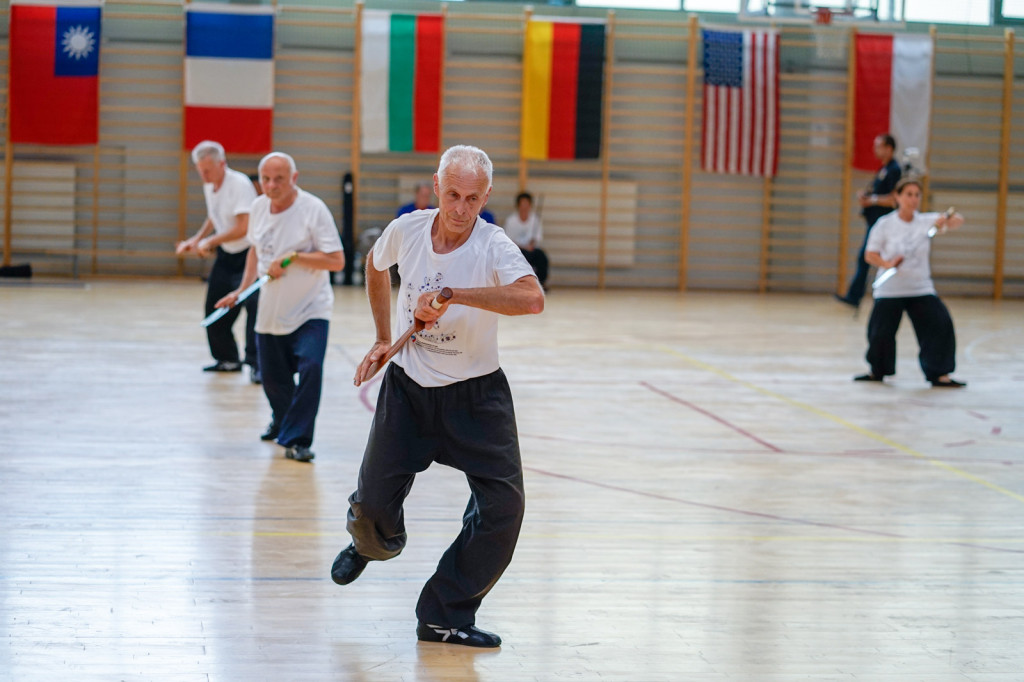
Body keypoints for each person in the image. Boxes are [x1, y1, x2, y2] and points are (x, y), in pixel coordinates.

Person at [331, 145, 545, 648]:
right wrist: (384, 337)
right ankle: (369, 546)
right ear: (436, 187)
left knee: (503, 510)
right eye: (452, 194)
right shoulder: (407, 230)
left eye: (473, 198)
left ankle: (443, 614)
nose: (460, 208)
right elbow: (375, 264)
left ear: (486, 196)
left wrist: (456, 295)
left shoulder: (493, 245)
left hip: (477, 396)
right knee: (373, 510)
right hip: (409, 389)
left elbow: (532, 298)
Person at [214, 152, 345, 461]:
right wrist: (241, 290)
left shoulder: (313, 210)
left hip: (312, 309)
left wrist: (294, 257)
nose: (271, 186)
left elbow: (336, 260)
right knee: (274, 378)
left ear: (294, 178)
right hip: (271, 311)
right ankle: (282, 421)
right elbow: (254, 253)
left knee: (311, 368)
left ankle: (298, 439)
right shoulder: (258, 208)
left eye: (279, 179)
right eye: (266, 180)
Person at [854, 178, 965, 388]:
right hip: (890, 289)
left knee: (940, 324)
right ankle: (877, 371)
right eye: (909, 194)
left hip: (920, 288)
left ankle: (939, 373)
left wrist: (946, 220)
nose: (913, 199)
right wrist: (887, 264)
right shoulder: (885, 224)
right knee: (880, 333)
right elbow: (870, 254)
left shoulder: (926, 221)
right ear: (897, 196)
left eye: (917, 195)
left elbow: (958, 220)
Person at [176, 140, 261, 382]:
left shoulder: (239, 184)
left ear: (222, 164)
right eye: (200, 170)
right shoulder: (210, 185)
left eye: (208, 170)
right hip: (226, 256)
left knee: (253, 308)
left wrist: (209, 243)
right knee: (214, 308)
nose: (203, 175)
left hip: (249, 255)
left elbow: (243, 227)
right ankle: (227, 359)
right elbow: (214, 217)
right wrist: (196, 239)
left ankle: (256, 366)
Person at [836, 133, 902, 309]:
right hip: (875, 222)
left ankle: (860, 296)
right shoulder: (884, 169)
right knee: (865, 258)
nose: (875, 150)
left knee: (870, 257)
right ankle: (854, 296)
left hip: (883, 224)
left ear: (889, 148)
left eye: (878, 146)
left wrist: (871, 200)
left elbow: (894, 199)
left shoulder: (894, 170)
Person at [503, 191, 549, 288]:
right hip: (516, 250)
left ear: (530, 205)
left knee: (541, 256)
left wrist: (531, 245)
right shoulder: (511, 221)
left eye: (526, 204)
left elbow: (537, 238)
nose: (524, 207)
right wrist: (523, 247)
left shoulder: (535, 219)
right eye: (522, 204)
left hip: (531, 249)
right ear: (518, 205)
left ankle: (541, 283)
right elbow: (508, 240)